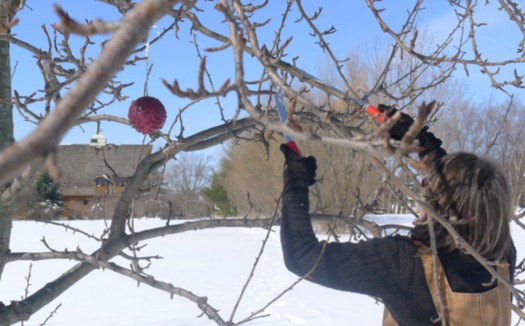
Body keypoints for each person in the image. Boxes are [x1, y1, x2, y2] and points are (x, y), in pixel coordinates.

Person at [279, 104, 516, 325]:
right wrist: (424, 145)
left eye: (428, 190)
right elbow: (469, 195)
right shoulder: (502, 255)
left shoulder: (403, 264)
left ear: (442, 207)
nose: (423, 192)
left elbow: (302, 257)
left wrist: (295, 183)